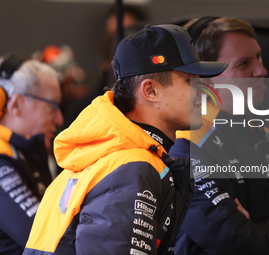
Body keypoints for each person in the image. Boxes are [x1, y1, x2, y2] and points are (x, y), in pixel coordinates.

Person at [23, 24, 227, 255]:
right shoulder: (133, 166)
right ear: (150, 91)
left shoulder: (108, 154)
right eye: (190, 81)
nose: (204, 91)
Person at [168, 17, 269, 254]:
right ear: (204, 80)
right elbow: (236, 243)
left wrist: (260, 232)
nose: (262, 71)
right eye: (243, 64)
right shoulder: (185, 146)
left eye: (259, 57)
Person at [0, 53, 63, 255]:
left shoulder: (23, 155)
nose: (60, 119)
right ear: (16, 104)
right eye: (52, 106)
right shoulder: (2, 163)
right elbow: (45, 240)